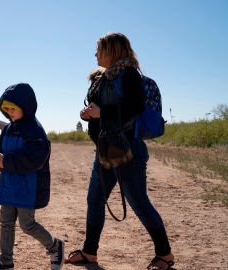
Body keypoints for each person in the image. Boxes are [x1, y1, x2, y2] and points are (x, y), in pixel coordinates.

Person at [65, 32, 175, 270]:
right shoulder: (100, 79)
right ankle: (89, 252)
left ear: (112, 50)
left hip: (129, 148)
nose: (95, 54)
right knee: (95, 199)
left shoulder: (129, 74)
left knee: (138, 202)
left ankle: (165, 255)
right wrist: (88, 114)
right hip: (105, 148)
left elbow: (133, 107)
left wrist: (101, 113)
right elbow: (100, 110)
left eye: (99, 49)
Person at [0, 83, 64, 270]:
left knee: (27, 224)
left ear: (25, 106)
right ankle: (5, 261)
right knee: (6, 223)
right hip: (9, 184)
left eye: (13, 108)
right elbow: (1, 150)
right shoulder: (7, 129)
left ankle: (54, 246)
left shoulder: (35, 129)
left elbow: (35, 159)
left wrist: (6, 161)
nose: (9, 112)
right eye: (6, 108)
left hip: (27, 187)